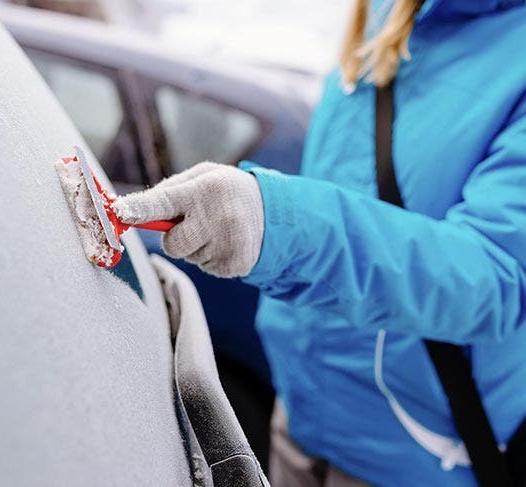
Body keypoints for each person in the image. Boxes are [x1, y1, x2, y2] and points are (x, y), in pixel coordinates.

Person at [112, 0, 526, 485]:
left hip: (414, 456)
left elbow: (495, 274)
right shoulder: (385, 11)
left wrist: (277, 224)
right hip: (301, 409)